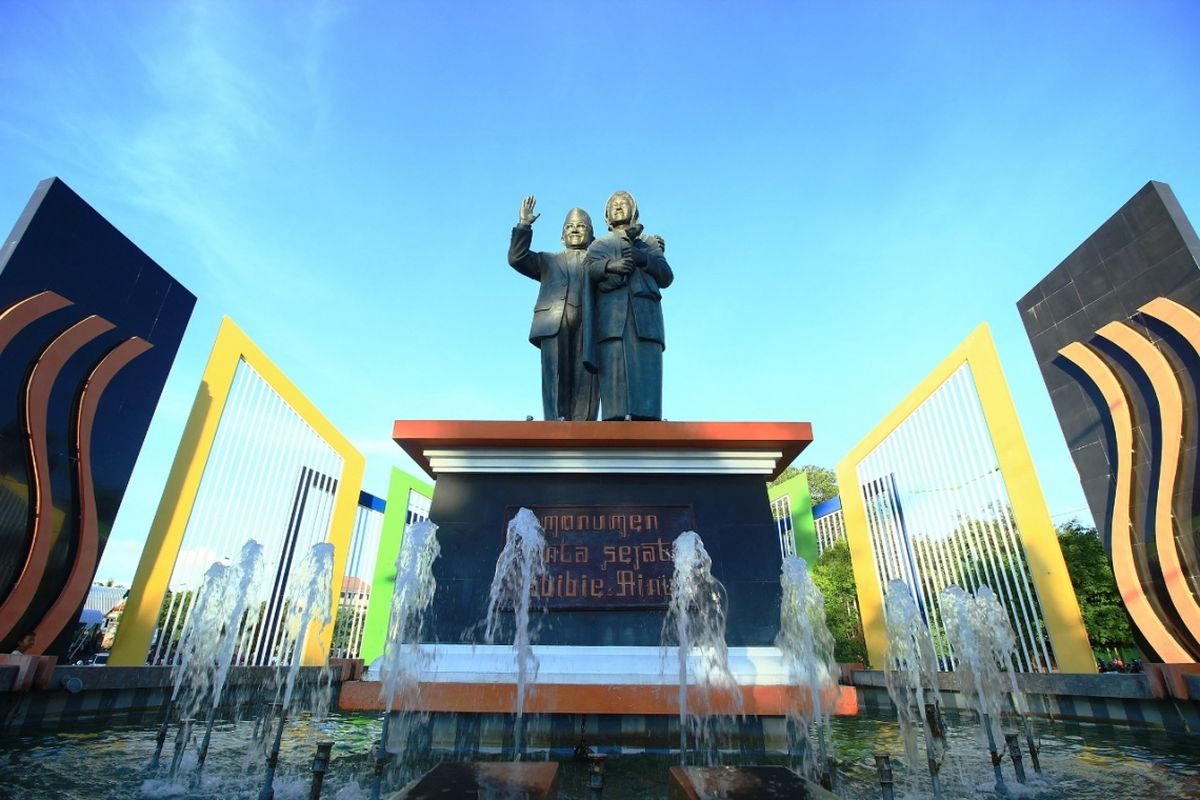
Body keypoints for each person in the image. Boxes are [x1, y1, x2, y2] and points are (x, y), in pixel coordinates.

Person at [582, 191, 673, 420]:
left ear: (634, 211)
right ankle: (615, 422)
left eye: (624, 203)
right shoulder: (599, 245)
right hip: (611, 319)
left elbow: (666, 276)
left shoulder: (649, 244)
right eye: (613, 204)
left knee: (647, 375)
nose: (619, 206)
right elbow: (588, 269)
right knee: (614, 378)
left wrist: (643, 258)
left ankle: (649, 421)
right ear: (606, 216)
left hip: (646, 317)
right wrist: (612, 266)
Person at [508, 196, 600, 421]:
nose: (575, 230)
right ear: (561, 237)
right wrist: (524, 225)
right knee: (555, 374)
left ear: (592, 236)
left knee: (588, 374)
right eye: (570, 227)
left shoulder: (600, 262)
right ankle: (555, 421)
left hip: (590, 325)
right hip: (553, 323)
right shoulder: (547, 261)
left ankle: (584, 424)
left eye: (581, 226)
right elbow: (516, 258)